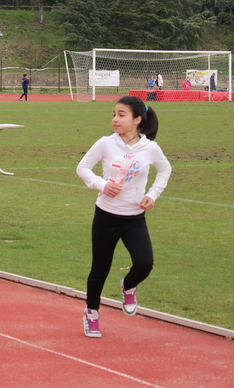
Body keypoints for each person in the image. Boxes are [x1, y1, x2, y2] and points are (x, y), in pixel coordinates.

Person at [75, 95, 172, 338]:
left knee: (144, 263)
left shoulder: (150, 148)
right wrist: (102, 184)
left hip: (134, 218)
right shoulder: (105, 143)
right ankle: (92, 313)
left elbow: (165, 170)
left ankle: (128, 286)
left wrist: (153, 194)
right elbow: (82, 168)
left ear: (137, 119)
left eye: (121, 115)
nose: (115, 119)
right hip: (106, 216)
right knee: (100, 268)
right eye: (114, 114)